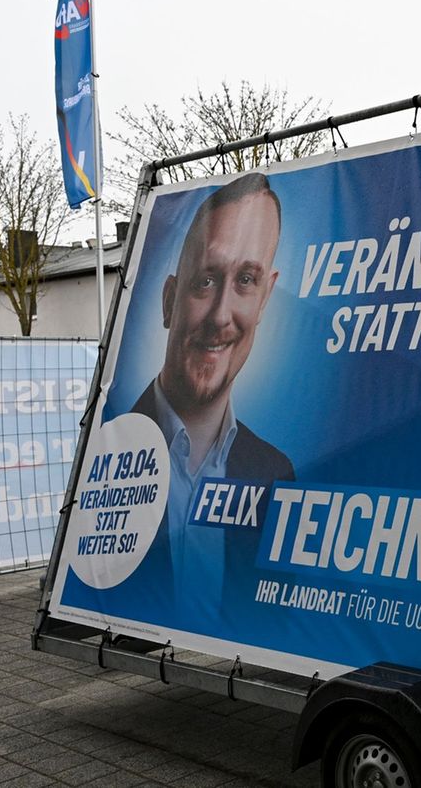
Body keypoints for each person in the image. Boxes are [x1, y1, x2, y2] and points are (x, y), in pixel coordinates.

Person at [130, 172, 293, 595]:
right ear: (169, 300)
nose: (221, 315)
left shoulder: (275, 472)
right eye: (205, 280)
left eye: (245, 281)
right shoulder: (116, 448)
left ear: (265, 298)